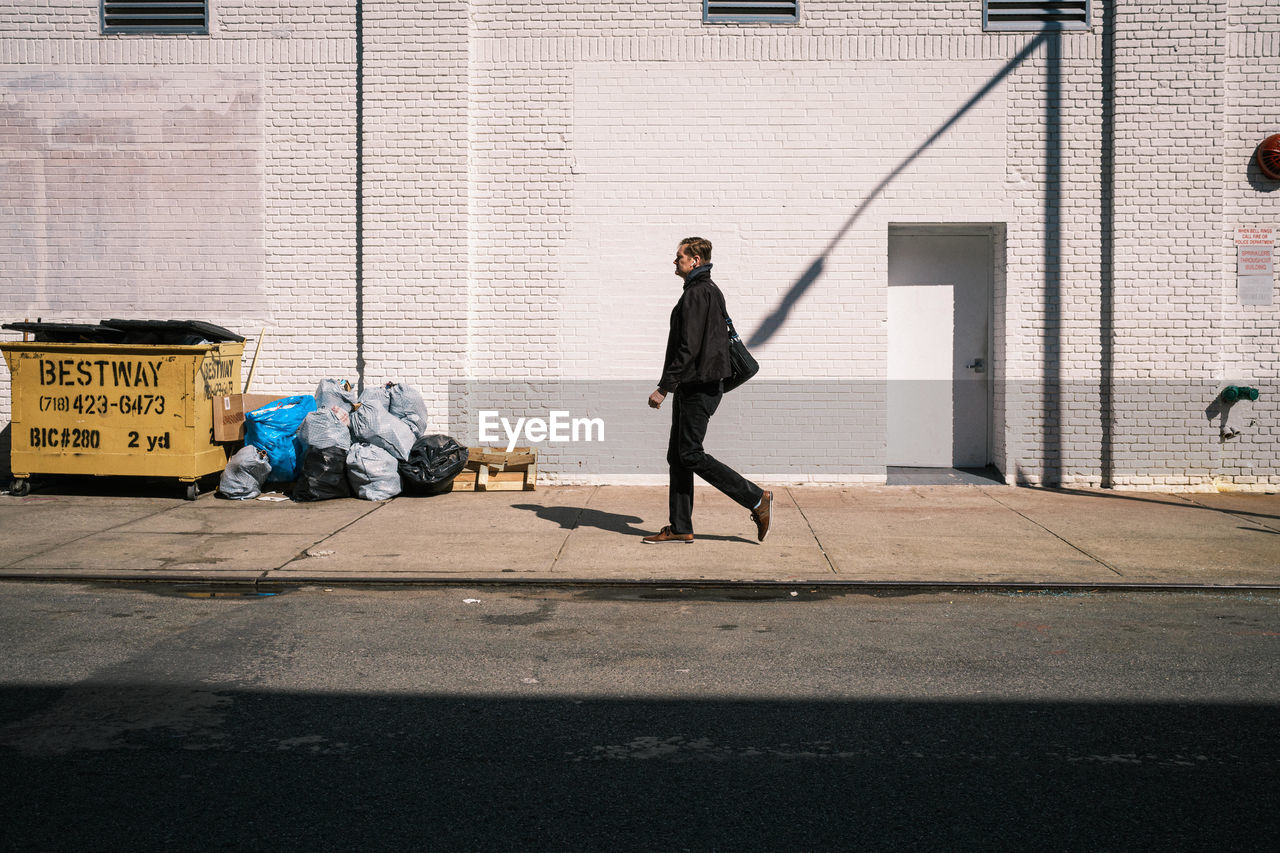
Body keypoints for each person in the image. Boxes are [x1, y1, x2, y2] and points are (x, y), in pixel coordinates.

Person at [643, 237, 772, 544]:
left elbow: (688, 348)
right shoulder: (708, 291)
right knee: (678, 456)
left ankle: (756, 497)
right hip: (699, 384)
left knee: (690, 453)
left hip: (699, 386)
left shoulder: (697, 294)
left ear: (695, 261)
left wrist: (664, 388)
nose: (676, 262)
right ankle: (680, 526)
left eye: (679, 258)